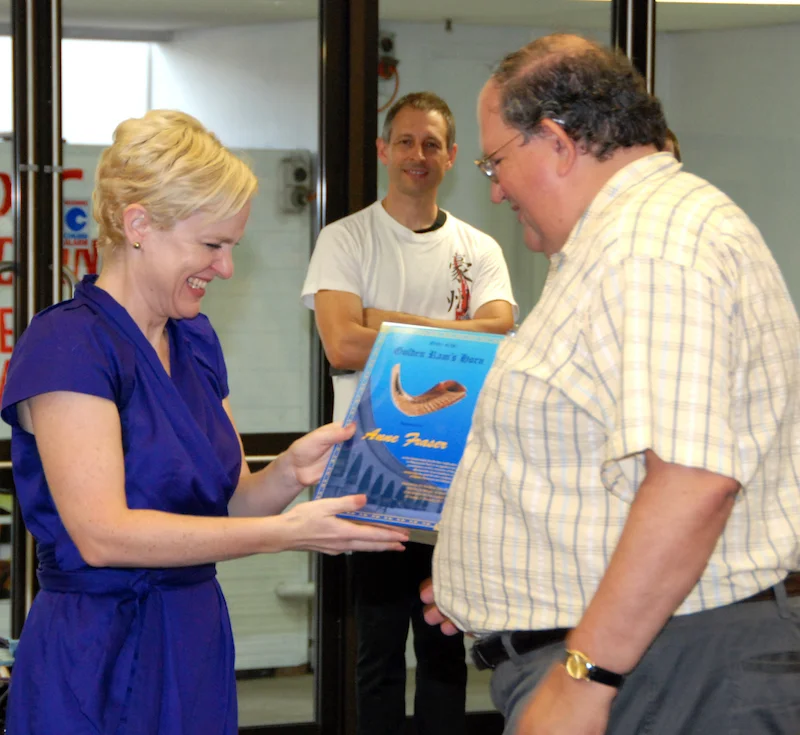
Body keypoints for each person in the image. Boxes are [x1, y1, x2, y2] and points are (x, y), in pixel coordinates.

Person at [423, 34, 800, 735]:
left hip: (661, 674)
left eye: (496, 161)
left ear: (560, 144)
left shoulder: (652, 247)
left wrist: (584, 678)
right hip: (648, 661)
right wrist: (501, 580)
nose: (496, 188)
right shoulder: (620, 245)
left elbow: (691, 483)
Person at [0, 109, 408, 735]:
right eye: (211, 245)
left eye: (231, 247)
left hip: (194, 640)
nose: (225, 269)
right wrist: (287, 535)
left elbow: (232, 504)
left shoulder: (192, 339)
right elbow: (103, 535)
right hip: (97, 651)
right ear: (138, 224)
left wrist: (290, 473)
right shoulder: (69, 345)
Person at [301, 91, 517, 735]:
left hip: (453, 472)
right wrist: (454, 335)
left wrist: (385, 324)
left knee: (446, 640)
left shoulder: (479, 248)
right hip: (370, 470)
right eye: (404, 142)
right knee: (377, 645)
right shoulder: (346, 239)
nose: (416, 155)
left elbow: (502, 332)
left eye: (431, 144)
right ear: (382, 151)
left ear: (452, 156)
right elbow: (340, 342)